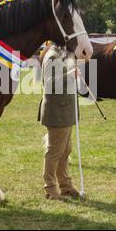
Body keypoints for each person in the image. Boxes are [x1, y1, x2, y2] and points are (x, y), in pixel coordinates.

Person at [37, 43, 80, 200]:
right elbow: (49, 84)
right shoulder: (52, 57)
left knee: (65, 150)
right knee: (54, 152)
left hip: (65, 110)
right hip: (57, 112)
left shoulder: (63, 55)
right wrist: (70, 75)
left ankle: (65, 185)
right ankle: (50, 188)